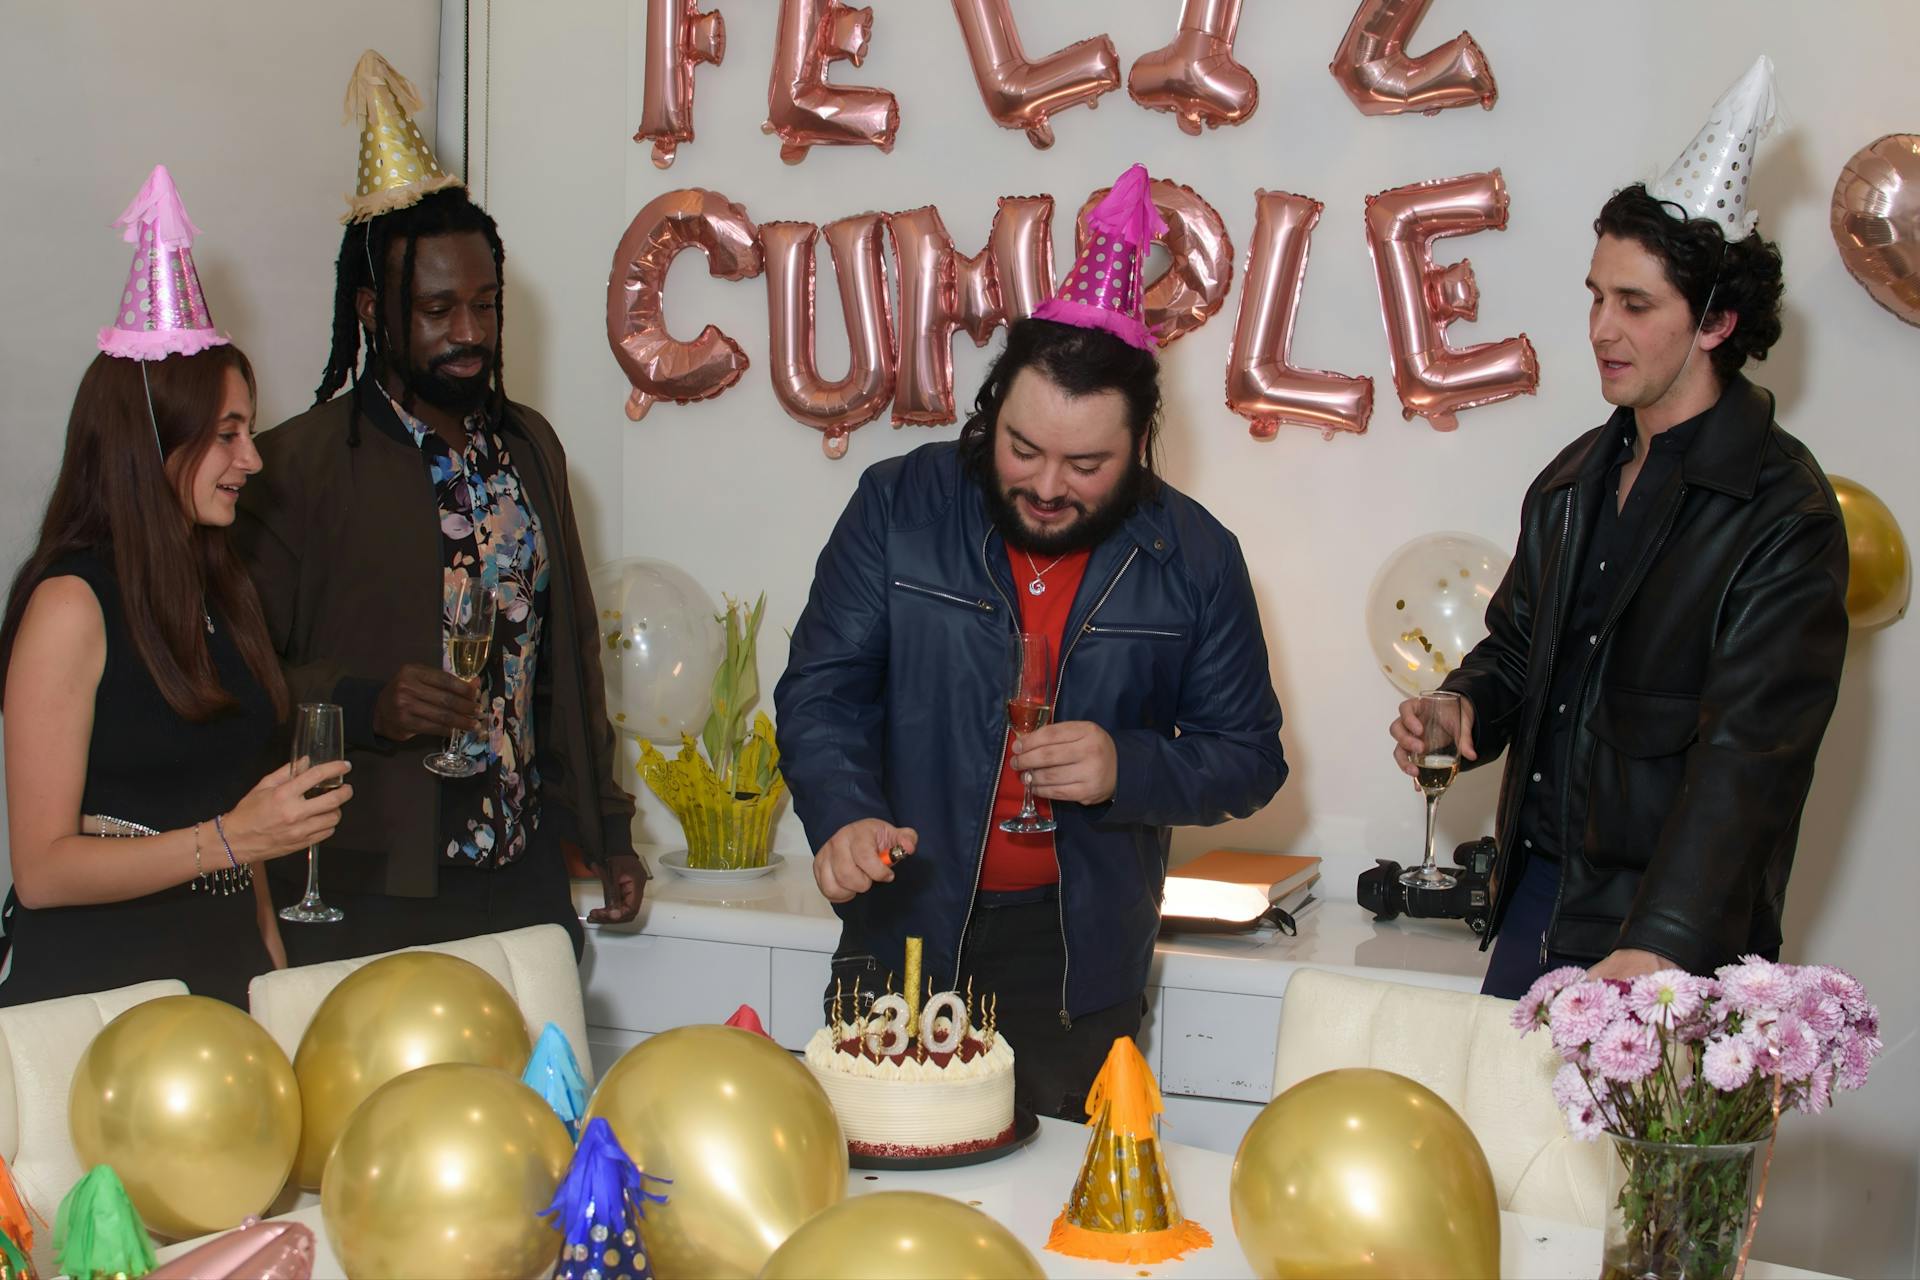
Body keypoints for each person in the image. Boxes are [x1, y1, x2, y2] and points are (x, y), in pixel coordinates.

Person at [776, 165, 1289, 1121]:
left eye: (1086, 463)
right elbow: (821, 693)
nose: (1047, 485)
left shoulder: (1197, 555)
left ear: (1140, 446)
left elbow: (1250, 760)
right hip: (902, 927)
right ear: (991, 413)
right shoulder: (899, 506)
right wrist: (843, 813)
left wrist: (1124, 766)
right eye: (1022, 448)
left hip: (1077, 966)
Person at [1390, 58, 1848, 998]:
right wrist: (1463, 707)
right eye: (1597, 295)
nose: (1601, 328)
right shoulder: (1573, 481)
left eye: (1635, 305)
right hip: (1537, 901)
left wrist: (1664, 943)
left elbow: (1748, 764)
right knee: (1504, 1144)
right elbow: (1520, 650)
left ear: (1717, 321)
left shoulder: (1784, 515)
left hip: (1673, 932)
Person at [235, 52, 642, 965]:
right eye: (439, 309)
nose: (470, 333)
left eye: (486, 306)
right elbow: (236, 674)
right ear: (374, 311)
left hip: (522, 862)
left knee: (540, 1103)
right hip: (372, 881)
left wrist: (606, 827)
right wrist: (365, 702)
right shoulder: (294, 466)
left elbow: (566, 660)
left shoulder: (530, 447)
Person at [1, 166, 350, 1008]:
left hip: (220, 987)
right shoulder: (70, 605)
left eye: (250, 431)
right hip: (100, 1005)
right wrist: (232, 840)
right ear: (150, 442)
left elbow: (243, 826)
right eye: (227, 434)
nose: (252, 459)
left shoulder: (223, 591)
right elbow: (43, 870)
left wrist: (273, 982)